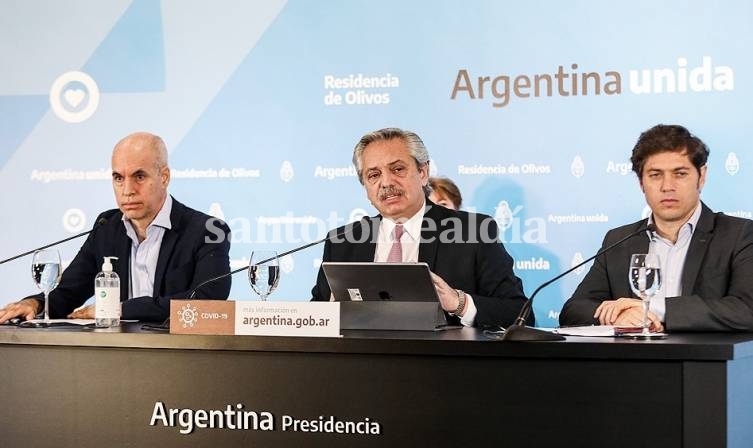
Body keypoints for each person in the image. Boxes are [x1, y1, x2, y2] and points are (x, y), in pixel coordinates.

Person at [0, 132, 231, 323]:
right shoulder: (107, 226)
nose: (127, 189)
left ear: (164, 177)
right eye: (118, 178)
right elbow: (69, 291)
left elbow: (208, 302)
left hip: (180, 357)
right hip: (116, 357)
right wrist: (34, 303)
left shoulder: (208, 230)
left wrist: (119, 309)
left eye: (139, 176)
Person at [311, 127, 529, 328]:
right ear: (365, 186)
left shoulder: (473, 231)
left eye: (397, 169)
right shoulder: (342, 241)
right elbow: (313, 319)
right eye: (374, 175)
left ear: (423, 173)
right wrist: (328, 314)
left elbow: (520, 314)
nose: (386, 183)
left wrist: (458, 303)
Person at [559, 124, 753, 332]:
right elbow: (574, 310)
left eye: (680, 174)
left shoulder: (738, 235)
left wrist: (652, 309)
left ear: (701, 176)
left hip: (704, 362)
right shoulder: (619, 240)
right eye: (655, 175)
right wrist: (622, 314)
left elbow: (746, 310)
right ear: (641, 183)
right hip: (634, 361)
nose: (667, 186)